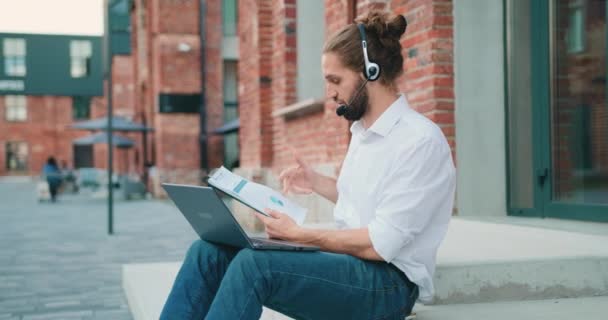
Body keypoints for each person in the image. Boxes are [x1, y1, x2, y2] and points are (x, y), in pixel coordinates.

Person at [161, 10, 455, 320]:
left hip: (388, 284)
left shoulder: (419, 141)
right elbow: (369, 204)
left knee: (255, 265)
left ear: (371, 72)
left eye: (335, 80)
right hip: (350, 265)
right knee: (206, 253)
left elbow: (381, 245)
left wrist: (301, 236)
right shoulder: (363, 133)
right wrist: (317, 182)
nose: (329, 92)